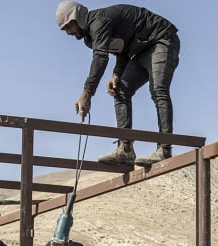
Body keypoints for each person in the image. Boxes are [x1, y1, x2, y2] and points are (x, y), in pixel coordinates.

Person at [55, 1, 181, 166]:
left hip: (161, 39)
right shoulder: (89, 38)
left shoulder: (99, 22)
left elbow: (100, 57)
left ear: (77, 18)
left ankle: (164, 149)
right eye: (64, 29)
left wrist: (87, 93)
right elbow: (123, 48)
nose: (68, 32)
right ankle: (125, 149)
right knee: (120, 90)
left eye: (68, 26)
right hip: (139, 51)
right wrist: (116, 73)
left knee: (159, 90)